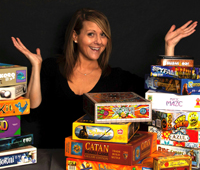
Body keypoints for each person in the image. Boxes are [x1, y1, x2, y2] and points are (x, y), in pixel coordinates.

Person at [11, 8, 197, 148]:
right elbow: (32, 114)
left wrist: (169, 49)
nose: (98, 41)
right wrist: (36, 67)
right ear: (75, 36)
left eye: (103, 35)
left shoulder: (117, 78)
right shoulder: (51, 68)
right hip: (53, 155)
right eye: (91, 34)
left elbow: (162, 97)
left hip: (97, 161)